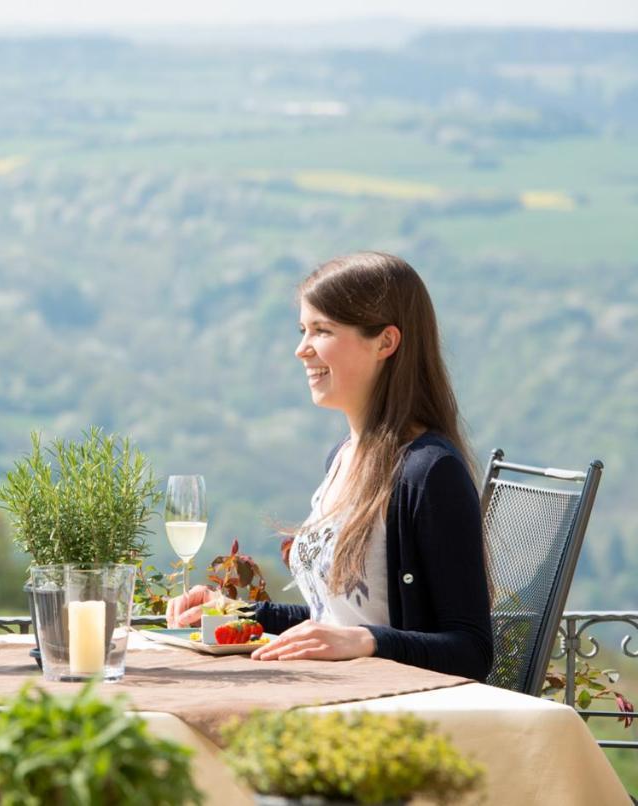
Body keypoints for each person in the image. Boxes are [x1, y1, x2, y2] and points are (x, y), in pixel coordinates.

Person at [167, 251, 493, 680]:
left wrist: (368, 641)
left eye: (322, 331)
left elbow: (471, 650)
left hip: (385, 712)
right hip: (326, 691)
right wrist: (240, 612)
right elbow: (333, 619)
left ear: (386, 342)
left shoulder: (429, 473)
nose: (302, 350)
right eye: (304, 329)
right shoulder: (342, 457)